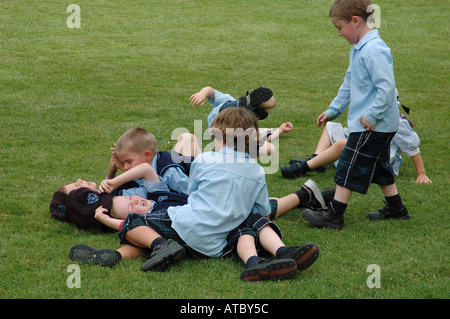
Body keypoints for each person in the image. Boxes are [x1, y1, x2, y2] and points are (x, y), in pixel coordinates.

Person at [72, 108, 320, 281]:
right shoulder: (256, 170)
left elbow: (193, 193)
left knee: (138, 221)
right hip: (216, 246)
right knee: (252, 222)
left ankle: (155, 246)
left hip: (185, 225)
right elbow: (263, 210)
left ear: (219, 137)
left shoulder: (205, 159)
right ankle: (273, 256)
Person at [301, 0, 409, 229]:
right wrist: (333, 110)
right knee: (380, 167)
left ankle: (335, 215)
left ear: (356, 21)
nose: (339, 34)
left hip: (372, 124)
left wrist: (372, 115)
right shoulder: (359, 49)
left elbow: (387, 88)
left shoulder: (374, 50)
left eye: (339, 28)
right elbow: (349, 83)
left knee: (348, 166)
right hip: (374, 124)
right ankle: (397, 209)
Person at [281, 104, 432, 184]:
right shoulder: (369, 113)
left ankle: (303, 168)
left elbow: (412, 147)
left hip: (374, 162)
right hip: (357, 152)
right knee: (332, 127)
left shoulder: (395, 122)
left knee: (343, 144)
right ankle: (316, 159)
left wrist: (421, 173)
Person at [190, 86, 292, 156]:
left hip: (219, 128)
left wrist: (202, 94)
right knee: (269, 147)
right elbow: (262, 140)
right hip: (223, 135)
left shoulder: (230, 102)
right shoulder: (242, 127)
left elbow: (210, 90)